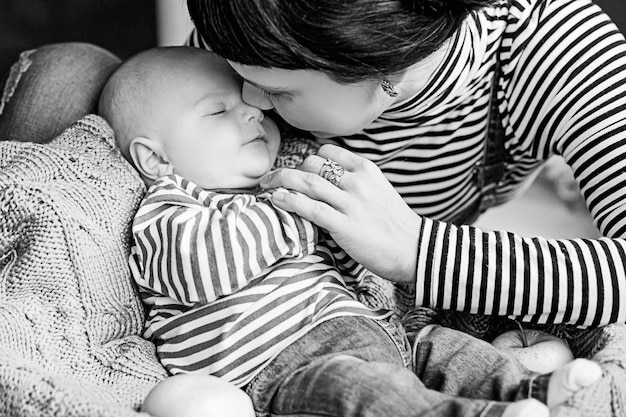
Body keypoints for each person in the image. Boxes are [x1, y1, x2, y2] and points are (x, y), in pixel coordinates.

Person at [97, 46, 601, 417]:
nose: (254, 106)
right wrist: (296, 213)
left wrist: (351, 241)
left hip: (373, 332)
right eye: (218, 110)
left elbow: (344, 269)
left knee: (453, 352)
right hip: (287, 369)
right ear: (155, 158)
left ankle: (530, 394)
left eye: (264, 95)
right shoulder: (170, 208)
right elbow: (202, 269)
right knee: (370, 394)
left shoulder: (278, 179)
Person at [180, 0, 626, 329]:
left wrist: (415, 250)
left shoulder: (551, 48)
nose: (247, 99)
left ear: (386, 71)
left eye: (276, 92)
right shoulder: (249, 29)